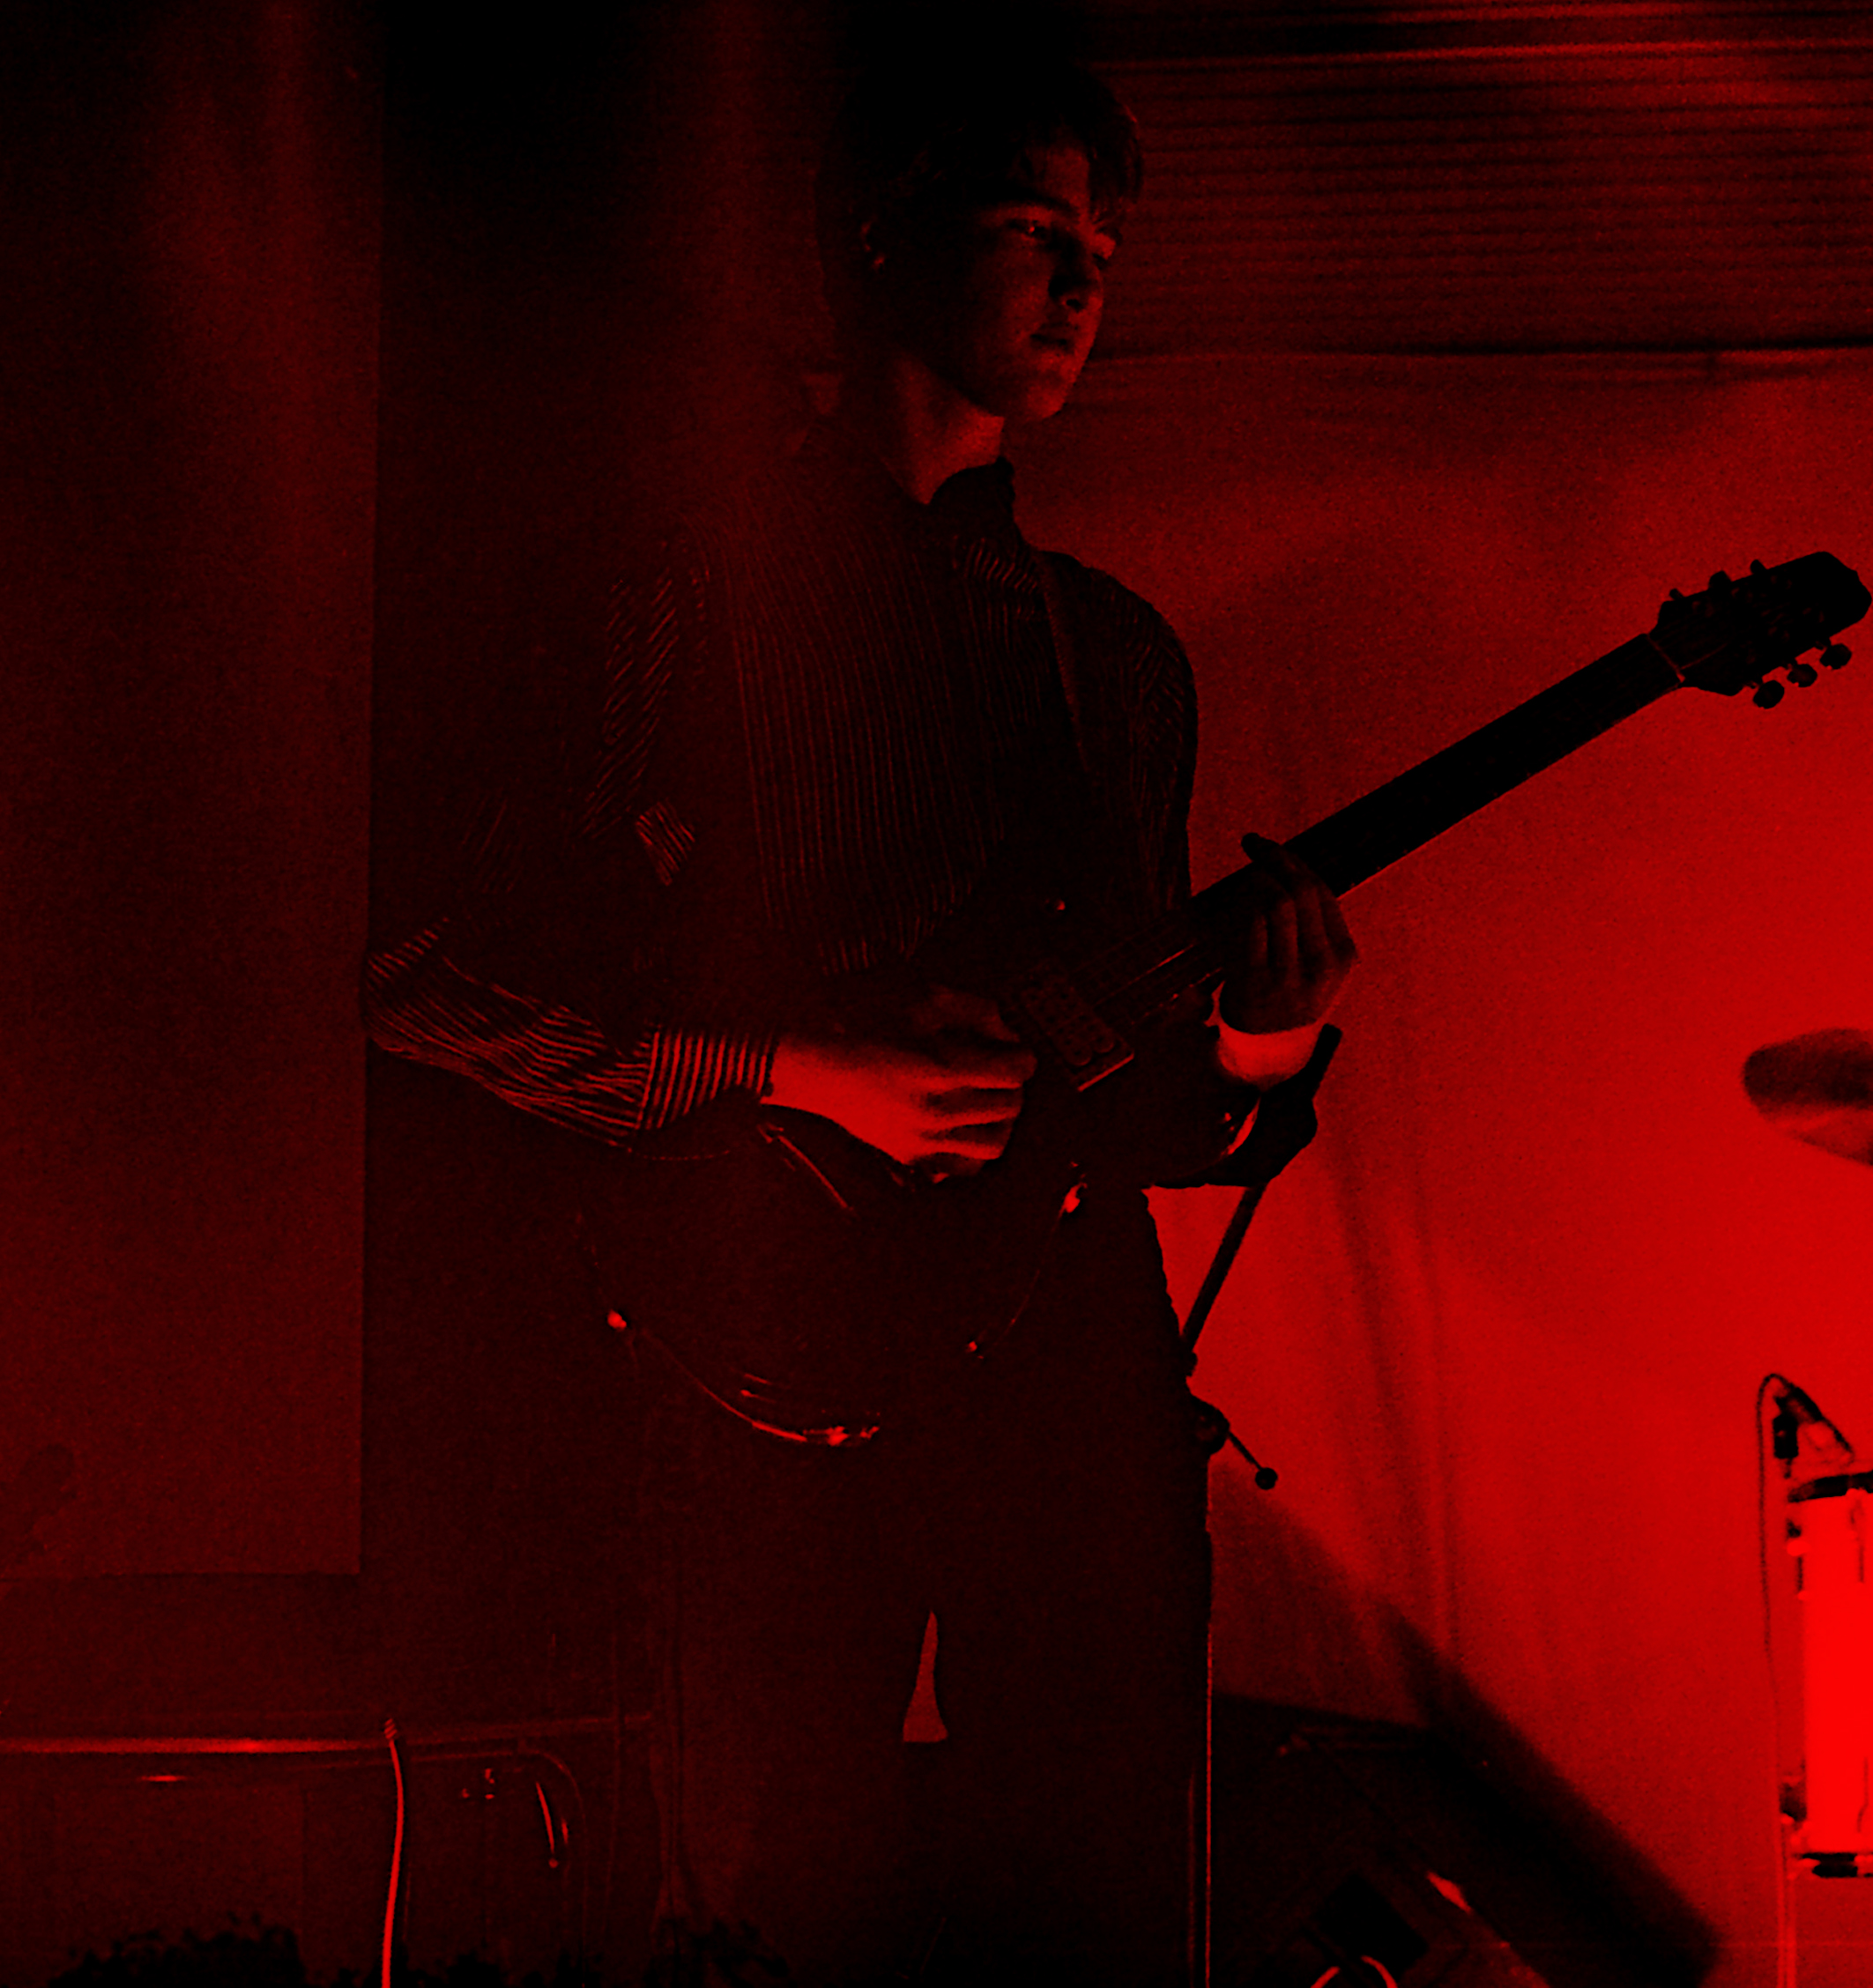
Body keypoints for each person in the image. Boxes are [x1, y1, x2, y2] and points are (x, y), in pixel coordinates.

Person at [368, 39, 1353, 1984]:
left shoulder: (1114, 658)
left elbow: (1143, 1112)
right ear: (880, 243)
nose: (1080, 288)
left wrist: (1261, 1041)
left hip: (1069, 1377)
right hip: (764, 1368)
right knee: (765, 1898)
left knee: (1099, 1900)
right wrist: (797, 1065)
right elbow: (429, 986)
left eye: (1101, 250)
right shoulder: (674, 600)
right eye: (1032, 229)